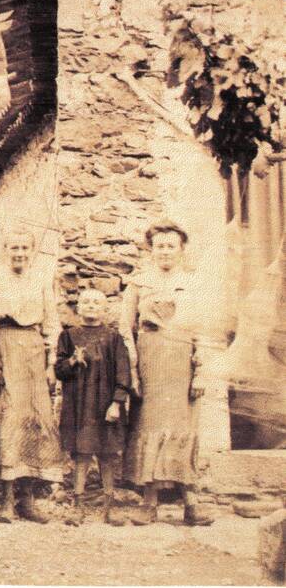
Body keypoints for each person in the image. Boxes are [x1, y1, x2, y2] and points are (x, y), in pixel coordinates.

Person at [119, 220, 213, 526]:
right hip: (150, 364)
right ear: (151, 250)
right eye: (159, 246)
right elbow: (125, 329)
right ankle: (149, 502)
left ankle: (191, 503)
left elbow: (204, 331)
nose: (165, 251)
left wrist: (200, 373)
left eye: (171, 245)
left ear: (181, 249)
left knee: (184, 430)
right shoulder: (139, 284)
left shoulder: (194, 283)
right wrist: (132, 371)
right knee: (149, 426)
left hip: (183, 367)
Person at [0, 228, 63, 524]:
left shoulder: (41, 280)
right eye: (14, 247)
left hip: (33, 353)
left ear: (32, 250)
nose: (19, 253)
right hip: (5, 348)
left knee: (36, 420)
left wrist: (52, 362)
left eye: (24, 248)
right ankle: (5, 500)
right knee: (10, 419)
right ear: (6, 250)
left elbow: (52, 324)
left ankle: (27, 499)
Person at [55, 288, 130, 526]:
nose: (90, 306)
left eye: (96, 302)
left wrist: (117, 403)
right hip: (79, 406)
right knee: (82, 453)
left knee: (107, 453)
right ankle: (78, 504)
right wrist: (72, 361)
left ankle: (109, 505)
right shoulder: (68, 336)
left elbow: (123, 373)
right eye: (85, 301)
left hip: (105, 404)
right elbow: (59, 370)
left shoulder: (113, 338)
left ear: (104, 309)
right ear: (78, 308)